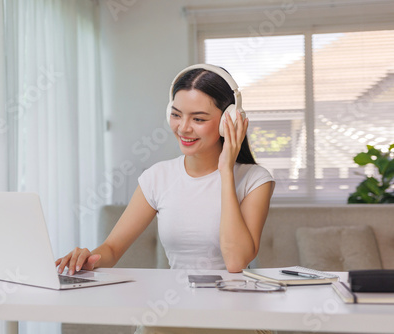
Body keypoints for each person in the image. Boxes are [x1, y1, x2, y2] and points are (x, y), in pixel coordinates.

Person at [56, 64, 275, 334]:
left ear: (228, 120)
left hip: (234, 315)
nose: (183, 128)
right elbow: (112, 250)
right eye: (176, 114)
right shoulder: (157, 177)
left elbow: (235, 262)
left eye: (198, 119)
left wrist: (225, 171)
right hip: (173, 310)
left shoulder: (255, 180)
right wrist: (87, 258)